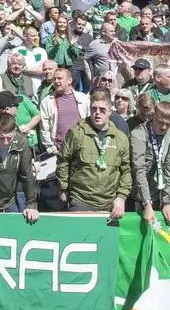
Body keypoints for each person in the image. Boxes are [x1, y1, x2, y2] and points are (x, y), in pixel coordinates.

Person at [56, 88, 131, 218]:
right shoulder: (77, 133)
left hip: (109, 202)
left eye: (102, 110)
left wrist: (121, 197)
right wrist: (63, 188)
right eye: (93, 109)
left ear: (110, 111)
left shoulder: (121, 138)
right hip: (81, 200)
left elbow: (126, 171)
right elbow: (63, 160)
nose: (97, 113)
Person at [130, 99, 170, 226]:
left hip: (159, 195)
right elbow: (139, 169)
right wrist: (147, 202)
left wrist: (167, 202)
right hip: (137, 195)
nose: (163, 127)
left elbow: (168, 169)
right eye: (160, 122)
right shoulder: (138, 134)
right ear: (153, 116)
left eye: (168, 124)